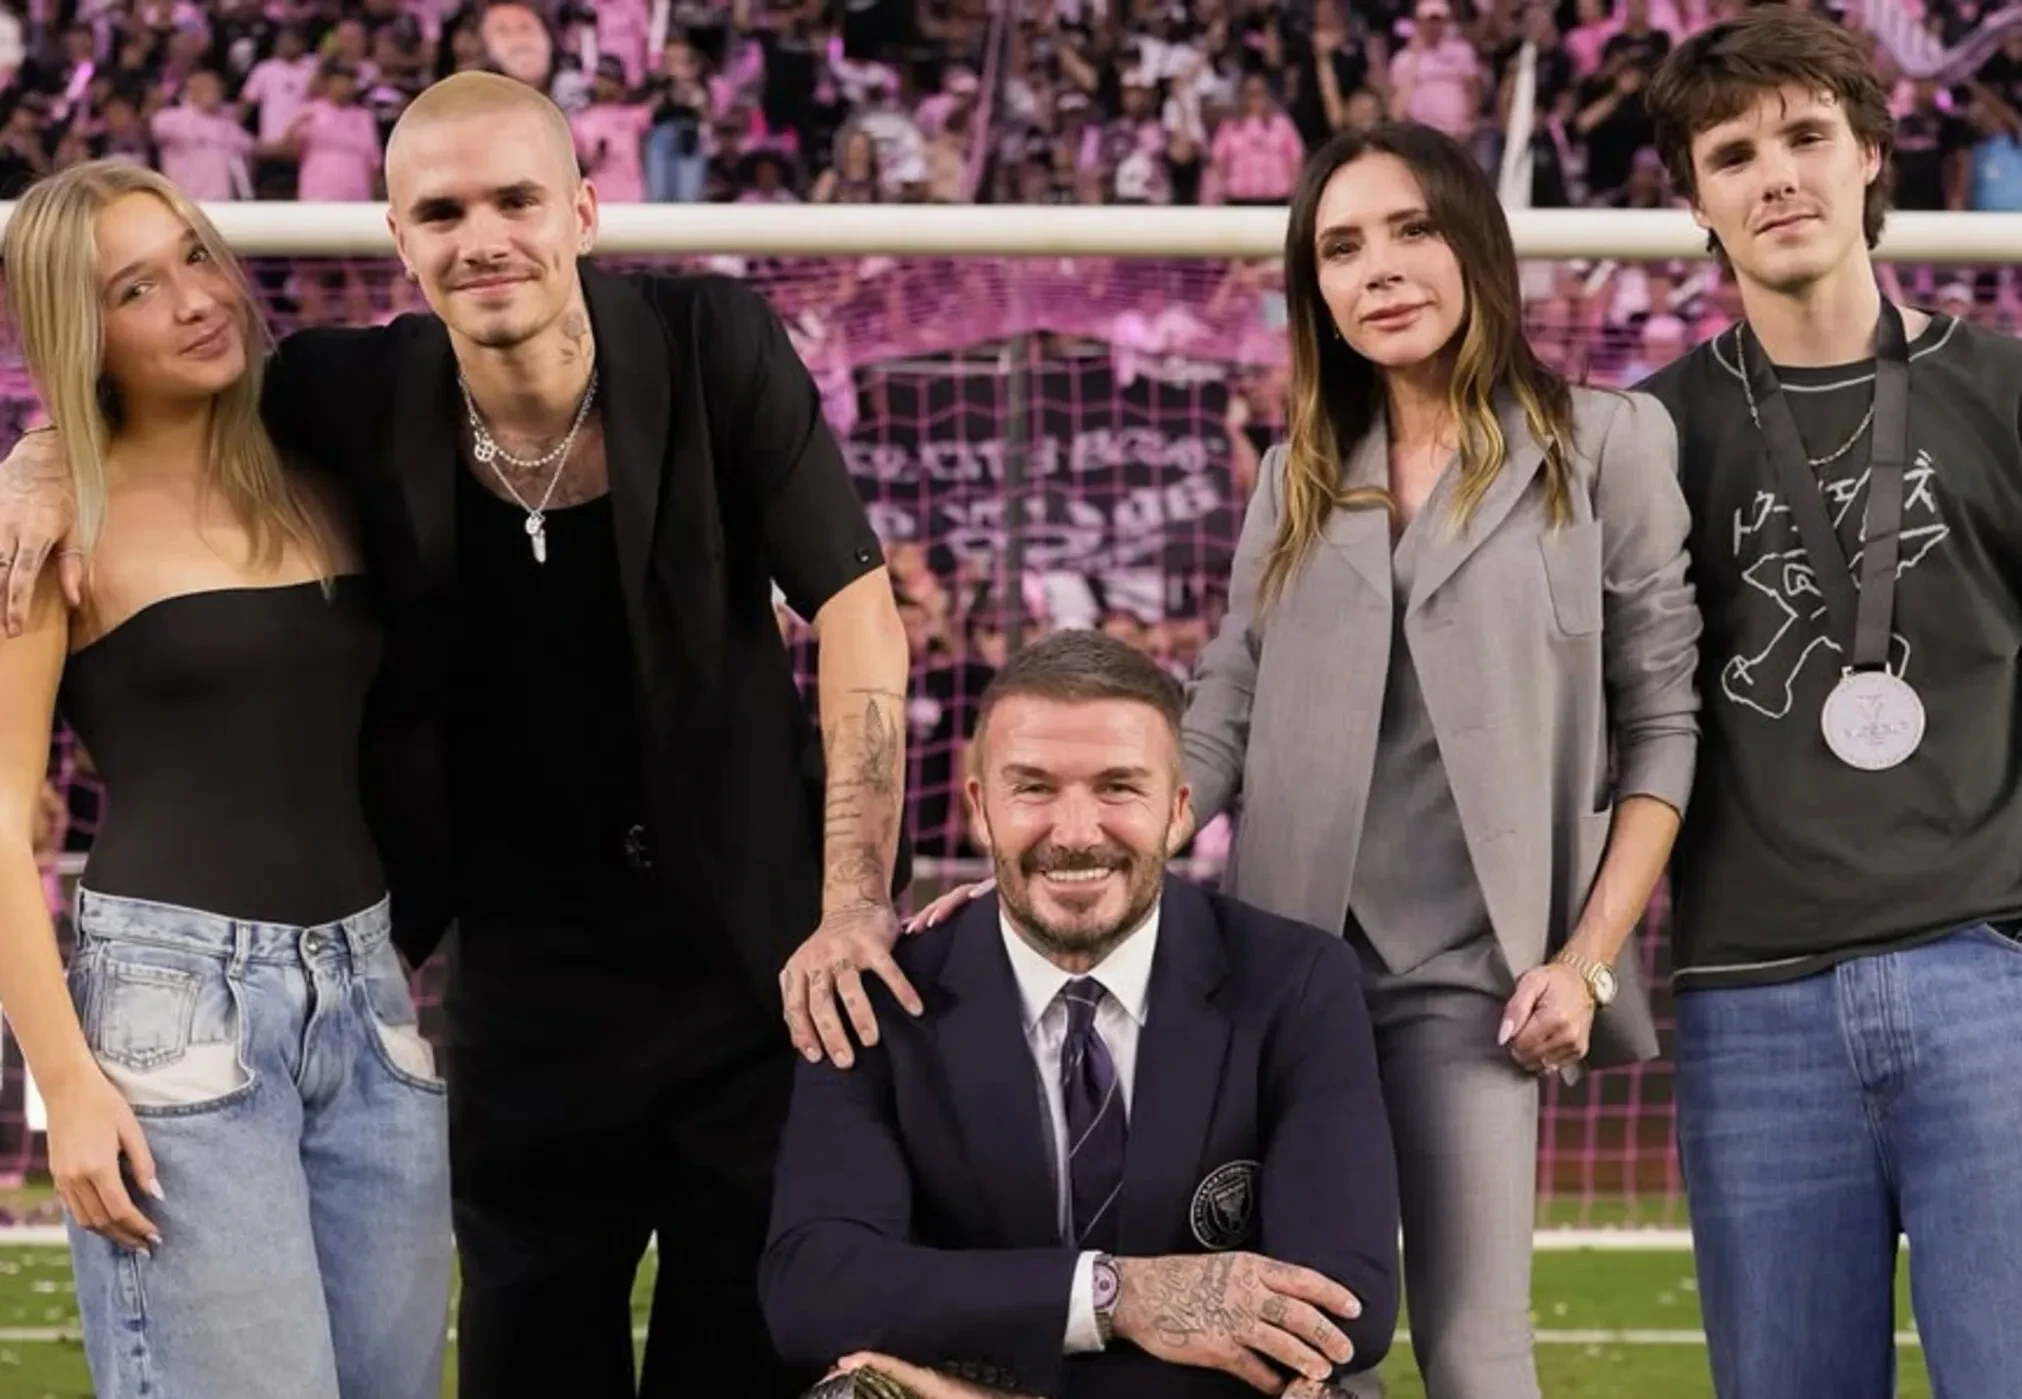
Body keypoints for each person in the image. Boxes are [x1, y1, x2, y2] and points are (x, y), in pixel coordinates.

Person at [0, 72, 912, 1399]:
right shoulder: (348, 393)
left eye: (514, 201)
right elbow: (133, 414)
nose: (483, 238)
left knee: (734, 1358)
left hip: (731, 970)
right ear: (399, 238)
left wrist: (852, 899)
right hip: (491, 994)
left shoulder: (707, 345)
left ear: (583, 211)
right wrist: (39, 452)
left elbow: (858, 607)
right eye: (442, 212)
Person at [911, 122, 1701, 1399]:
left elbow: (1665, 719)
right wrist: (1069, 848)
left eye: (1411, 229)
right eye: (1341, 247)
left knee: (1475, 1349)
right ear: (1315, 287)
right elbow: (1222, 709)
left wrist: (1587, 957)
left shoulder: (1605, 443)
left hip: (1477, 984)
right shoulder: (1297, 475)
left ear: (1474, 244)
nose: (1378, 268)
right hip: (1283, 975)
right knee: (1291, 1344)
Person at [0, 161, 449, 1399]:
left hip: (370, 1005)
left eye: (195, 255)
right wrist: (66, 1087)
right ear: (83, 332)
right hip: (175, 1016)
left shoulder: (323, 469)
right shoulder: (50, 526)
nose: (196, 299)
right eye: (135, 289)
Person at [1638, 10, 2022, 1396]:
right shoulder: (1647, 435)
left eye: (1805, 136)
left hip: (1993, 975)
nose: (1777, 176)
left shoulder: (2005, 391)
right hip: (1752, 1001)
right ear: (1696, 202)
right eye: (1732, 155)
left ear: (1869, 154)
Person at [762, 630, 1399, 1399]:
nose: (1073, 833)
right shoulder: (878, 998)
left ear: (1178, 810)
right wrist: (1117, 1295)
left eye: (1118, 787)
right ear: (979, 809)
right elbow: (814, 1287)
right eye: (1033, 787)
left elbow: (1343, 1305)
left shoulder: (1295, 981)